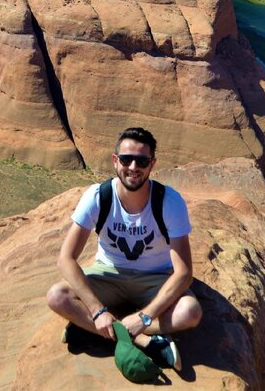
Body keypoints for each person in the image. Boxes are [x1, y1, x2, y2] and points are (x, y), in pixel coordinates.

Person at [46, 127, 202, 371]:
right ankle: (141, 340)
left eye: (142, 160)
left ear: (152, 164)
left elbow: (183, 273)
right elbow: (66, 259)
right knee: (57, 297)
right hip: (109, 272)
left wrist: (145, 317)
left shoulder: (169, 202)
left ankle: (99, 330)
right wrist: (97, 311)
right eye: (126, 159)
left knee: (190, 312)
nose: (133, 167)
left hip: (155, 279)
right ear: (115, 160)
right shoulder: (98, 196)